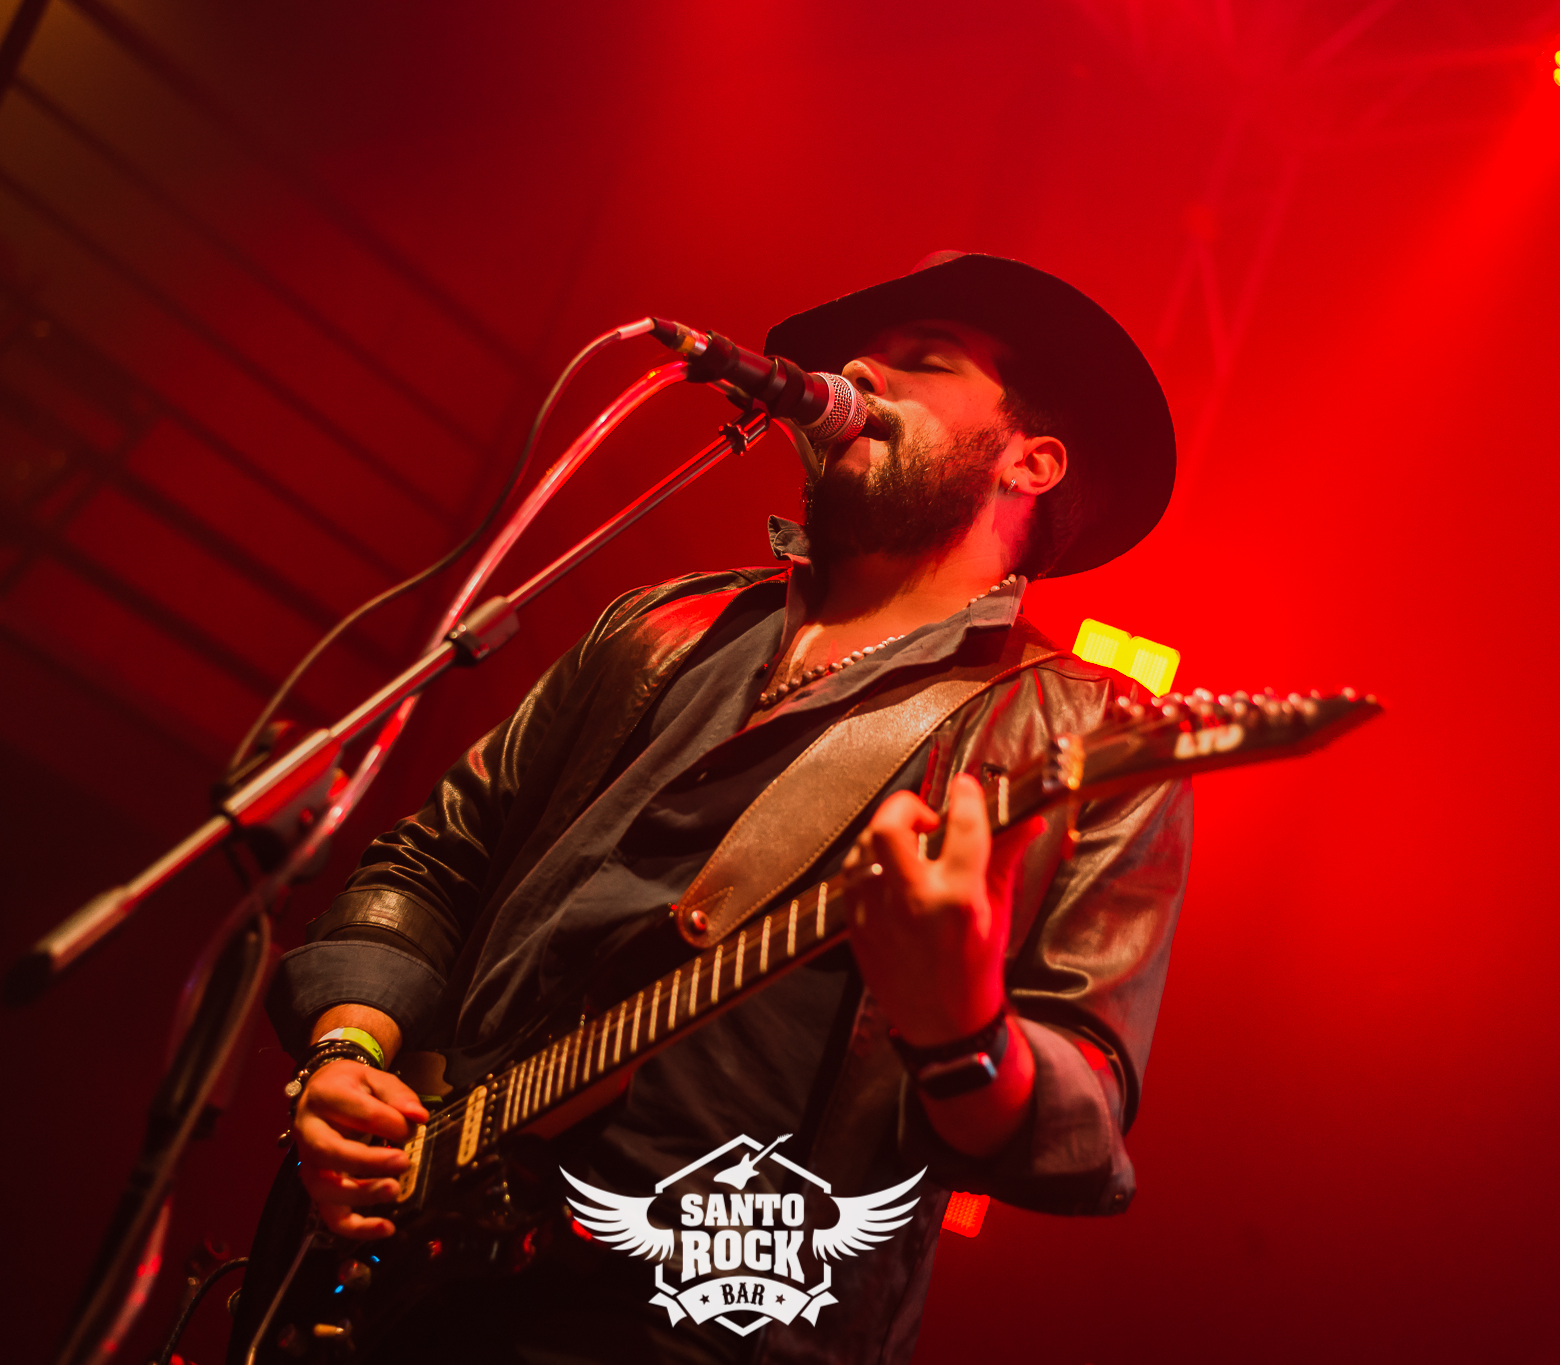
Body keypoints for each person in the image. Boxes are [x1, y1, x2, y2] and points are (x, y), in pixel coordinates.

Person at [247, 252, 1191, 1364]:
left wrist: (963, 1031)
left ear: (1030, 461)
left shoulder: (1093, 741)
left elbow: (1080, 1127)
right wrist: (346, 1050)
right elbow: (429, 866)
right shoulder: (657, 630)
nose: (858, 370)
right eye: (862, 353)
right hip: (412, 1280)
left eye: (924, 360)